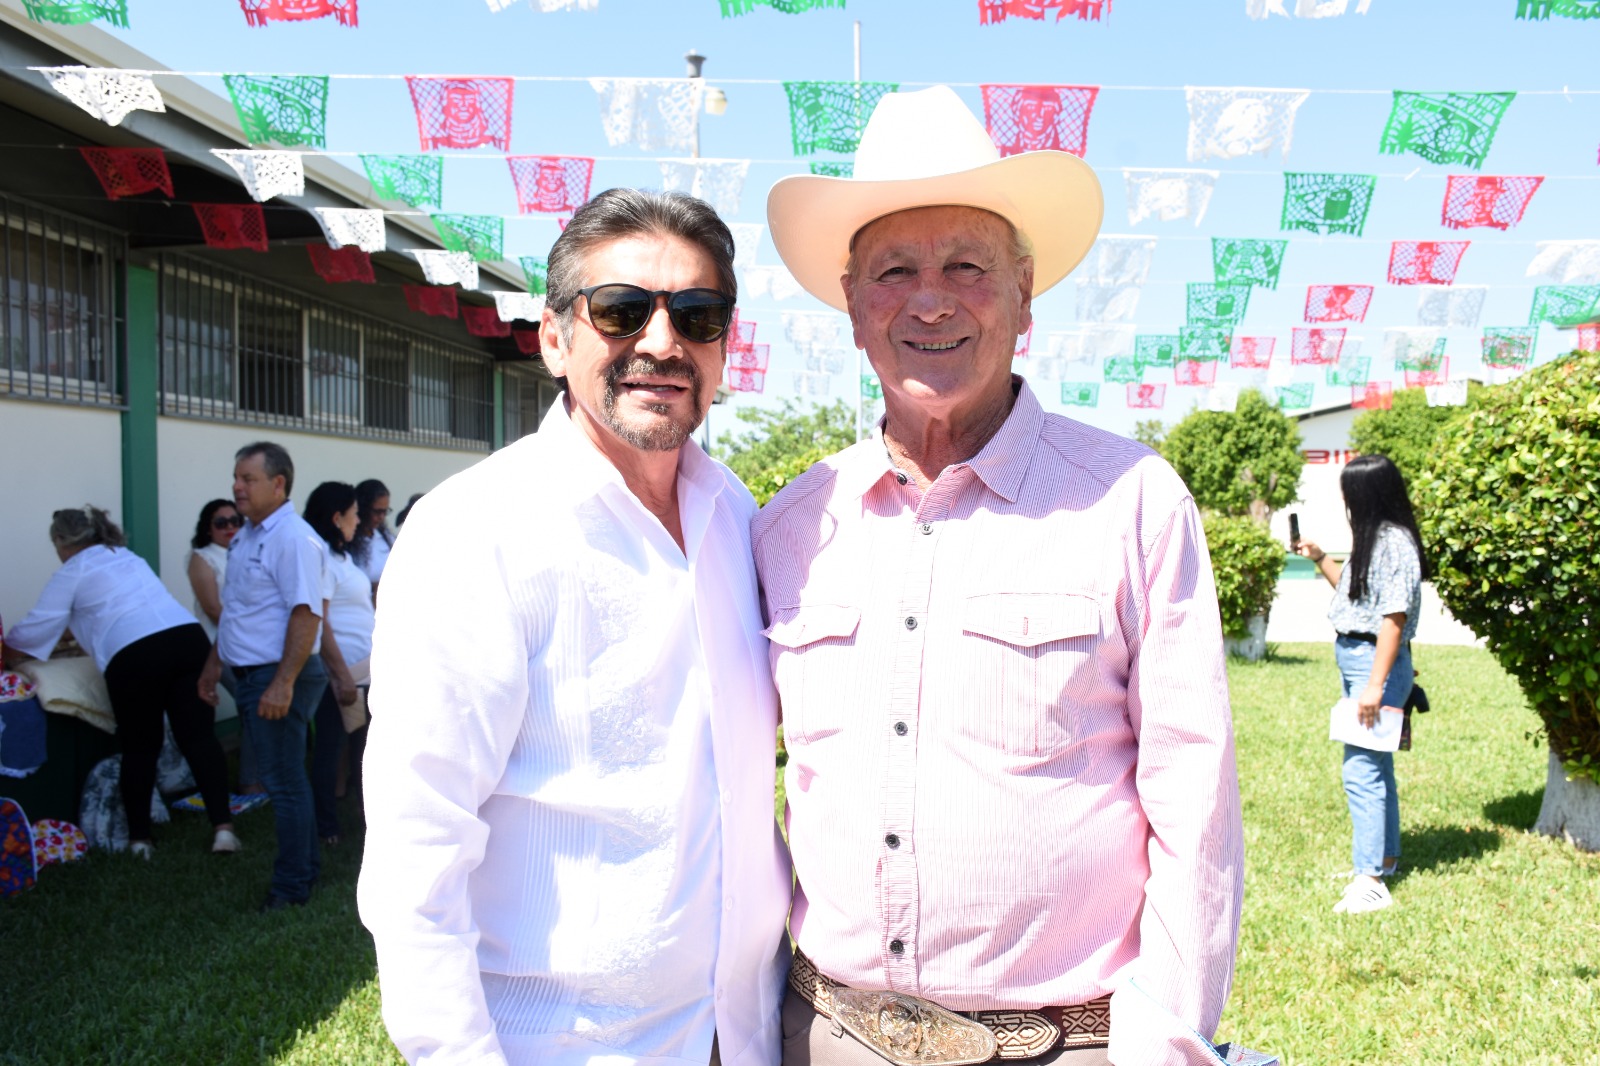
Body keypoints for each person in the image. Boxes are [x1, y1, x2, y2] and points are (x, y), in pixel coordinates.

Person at [757, 86, 1244, 1066]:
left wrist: (1169, 1042)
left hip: (1064, 1047)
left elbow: (1195, 806)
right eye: (894, 269)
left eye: (966, 266)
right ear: (852, 306)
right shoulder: (786, 526)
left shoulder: (1132, 501)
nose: (929, 297)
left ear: (1025, 293)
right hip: (824, 1035)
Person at [359, 188, 792, 1066]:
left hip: (741, 1032)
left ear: (722, 348)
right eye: (622, 311)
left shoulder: (737, 516)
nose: (662, 343)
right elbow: (418, 842)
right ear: (555, 339)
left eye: (697, 315)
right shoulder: (476, 531)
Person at [4, 506, 238, 857]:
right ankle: (223, 830)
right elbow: (113, 608)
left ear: (59, 542)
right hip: (188, 641)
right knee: (200, 739)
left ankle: (140, 840)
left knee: (141, 748)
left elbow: (39, 626)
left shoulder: (71, 571)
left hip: (136, 654)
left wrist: (8, 651)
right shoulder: (125, 556)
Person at [199, 442, 329, 912]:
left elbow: (306, 613)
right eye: (236, 478)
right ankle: (304, 872)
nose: (237, 487)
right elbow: (238, 610)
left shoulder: (291, 538)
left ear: (279, 484)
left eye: (248, 479)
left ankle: (292, 886)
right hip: (255, 672)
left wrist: (282, 682)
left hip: (276, 675)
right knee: (286, 778)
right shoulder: (249, 535)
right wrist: (215, 664)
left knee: (283, 781)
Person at [1293, 453, 1425, 916]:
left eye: (1351, 490)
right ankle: (1382, 862)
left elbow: (1392, 620)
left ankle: (1368, 879)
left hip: (1375, 664)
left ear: (1370, 493)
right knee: (1376, 766)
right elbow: (1354, 599)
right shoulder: (1373, 539)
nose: (1346, 499)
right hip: (1360, 658)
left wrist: (1374, 685)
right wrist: (1319, 559)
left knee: (1361, 771)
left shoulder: (1395, 543)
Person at [301, 481, 373, 846]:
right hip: (342, 673)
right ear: (336, 517)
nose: (358, 520)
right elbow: (321, 620)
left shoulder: (343, 557)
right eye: (354, 513)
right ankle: (326, 826)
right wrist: (341, 675)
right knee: (330, 751)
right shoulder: (323, 560)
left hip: (364, 670)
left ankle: (368, 820)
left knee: (366, 753)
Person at [186, 498, 263, 796]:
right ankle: (249, 782)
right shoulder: (202, 557)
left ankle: (256, 777)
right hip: (219, 650)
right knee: (253, 710)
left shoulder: (244, 550)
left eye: (235, 521)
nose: (230, 527)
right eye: (221, 523)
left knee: (255, 712)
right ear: (208, 527)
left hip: (252, 646)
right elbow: (215, 610)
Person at [350, 479, 394, 590]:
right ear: (362, 508)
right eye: (377, 511)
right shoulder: (349, 541)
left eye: (385, 511)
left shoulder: (387, 538)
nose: (382, 517)